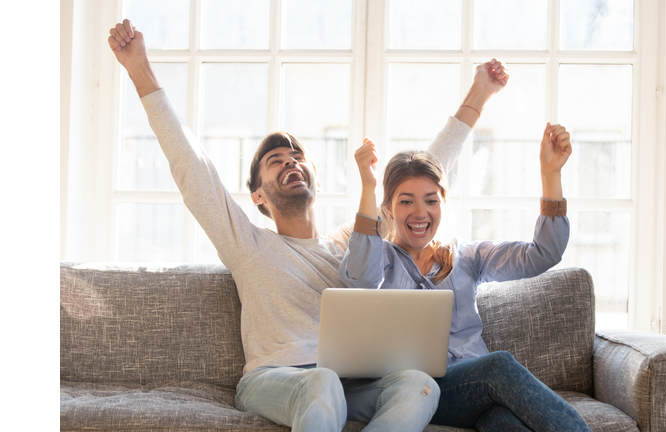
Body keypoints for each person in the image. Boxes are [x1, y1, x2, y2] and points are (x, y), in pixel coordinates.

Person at [107, 19, 510, 432]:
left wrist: (478, 96)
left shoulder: (353, 247)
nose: (290, 162)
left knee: (419, 384)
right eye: (275, 161)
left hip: (349, 381)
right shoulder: (248, 244)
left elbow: (419, 181)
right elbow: (193, 170)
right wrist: (140, 69)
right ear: (259, 196)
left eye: (296, 156)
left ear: (314, 178)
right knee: (322, 382)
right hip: (276, 379)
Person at [339, 125, 593, 431]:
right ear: (388, 209)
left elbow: (542, 254)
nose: (420, 213)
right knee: (498, 366)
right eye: (406, 201)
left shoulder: (468, 257)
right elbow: (360, 282)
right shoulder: (378, 260)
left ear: (443, 204)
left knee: (503, 423)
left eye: (431, 200)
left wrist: (550, 175)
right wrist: (368, 185)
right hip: (419, 394)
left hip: (474, 395)